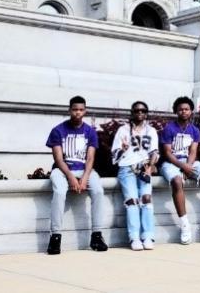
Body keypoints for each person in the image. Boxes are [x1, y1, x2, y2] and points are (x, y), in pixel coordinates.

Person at [46, 96, 108, 255]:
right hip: (62, 170)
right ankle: (55, 237)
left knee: (98, 191)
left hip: (84, 169)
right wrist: (71, 177)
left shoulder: (90, 132)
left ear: (85, 111)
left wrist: (85, 178)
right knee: (59, 191)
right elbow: (58, 159)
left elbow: (90, 158)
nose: (77, 113)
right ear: (69, 110)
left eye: (81, 110)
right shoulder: (58, 130)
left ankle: (97, 235)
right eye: (74, 109)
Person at [159, 96, 200, 245]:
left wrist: (188, 166)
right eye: (180, 109)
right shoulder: (169, 129)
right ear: (176, 111)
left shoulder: (194, 130)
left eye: (186, 109)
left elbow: (193, 151)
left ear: (191, 111)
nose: (184, 112)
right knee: (177, 181)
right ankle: (185, 225)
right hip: (170, 163)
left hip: (188, 161)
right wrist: (183, 167)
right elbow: (167, 153)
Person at [111, 101, 159, 251]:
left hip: (144, 168)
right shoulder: (123, 130)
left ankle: (148, 236)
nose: (140, 113)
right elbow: (114, 155)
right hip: (127, 169)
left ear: (146, 113)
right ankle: (134, 238)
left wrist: (150, 167)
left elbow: (154, 152)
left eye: (143, 111)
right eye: (137, 111)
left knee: (146, 200)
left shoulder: (151, 131)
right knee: (132, 201)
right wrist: (123, 149)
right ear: (132, 112)